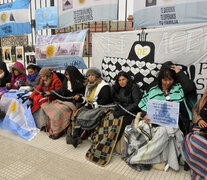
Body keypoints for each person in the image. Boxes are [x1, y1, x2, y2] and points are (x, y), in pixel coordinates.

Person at [122, 61, 197, 171]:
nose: (167, 82)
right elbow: (143, 107)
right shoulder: (153, 89)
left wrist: (180, 73)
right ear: (160, 79)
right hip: (154, 123)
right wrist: (145, 115)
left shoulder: (179, 88)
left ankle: (135, 159)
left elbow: (191, 88)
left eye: (170, 79)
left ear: (174, 79)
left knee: (165, 132)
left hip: (176, 123)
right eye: (165, 79)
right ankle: (147, 159)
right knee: (156, 132)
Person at [85, 71, 142, 166]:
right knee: (107, 118)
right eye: (119, 80)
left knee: (116, 125)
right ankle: (98, 143)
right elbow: (115, 99)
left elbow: (137, 103)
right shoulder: (117, 87)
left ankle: (105, 146)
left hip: (131, 112)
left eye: (123, 79)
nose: (121, 82)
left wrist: (122, 111)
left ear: (127, 79)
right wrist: (118, 107)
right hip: (120, 109)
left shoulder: (133, 88)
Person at [35, 66, 85, 139]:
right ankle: (49, 127)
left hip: (73, 102)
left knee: (58, 112)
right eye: (66, 74)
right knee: (47, 107)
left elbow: (83, 95)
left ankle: (58, 131)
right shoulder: (66, 81)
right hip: (64, 101)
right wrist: (51, 93)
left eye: (68, 75)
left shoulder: (81, 82)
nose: (66, 76)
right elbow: (61, 90)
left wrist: (79, 97)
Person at [67, 67, 112, 147]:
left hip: (101, 107)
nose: (90, 77)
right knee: (79, 113)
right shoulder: (88, 85)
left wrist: (93, 105)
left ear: (97, 76)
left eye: (93, 75)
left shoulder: (104, 86)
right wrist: (81, 99)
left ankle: (79, 137)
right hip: (91, 106)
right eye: (89, 75)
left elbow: (105, 100)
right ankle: (76, 136)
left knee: (86, 116)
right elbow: (87, 99)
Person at [181, 92, 207, 179]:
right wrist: (199, 120)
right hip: (200, 129)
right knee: (197, 142)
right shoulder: (203, 99)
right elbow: (195, 112)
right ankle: (199, 166)